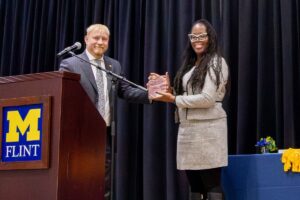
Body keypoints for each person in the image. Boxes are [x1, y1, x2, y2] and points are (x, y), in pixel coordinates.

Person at [59, 24, 151, 200]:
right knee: (79, 178)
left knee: (104, 180)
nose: (100, 42)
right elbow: (66, 97)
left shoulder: (113, 66)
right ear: (86, 39)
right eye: (96, 38)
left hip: (105, 132)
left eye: (104, 39)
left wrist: (151, 95)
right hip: (79, 134)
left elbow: (125, 91)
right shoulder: (70, 64)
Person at [148, 19, 229, 200]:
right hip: (188, 130)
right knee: (194, 184)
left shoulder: (216, 62)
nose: (197, 40)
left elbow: (207, 99)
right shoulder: (191, 64)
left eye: (202, 36)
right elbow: (188, 94)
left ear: (210, 38)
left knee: (211, 184)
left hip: (209, 130)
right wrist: (167, 89)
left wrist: (174, 98)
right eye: (193, 36)